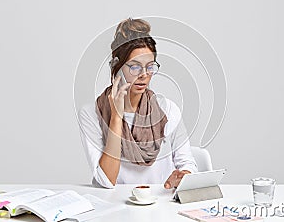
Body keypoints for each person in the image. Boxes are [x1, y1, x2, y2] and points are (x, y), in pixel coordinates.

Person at [78, 18, 198, 189]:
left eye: (150, 66)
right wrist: (116, 118)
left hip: (160, 205)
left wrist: (183, 176)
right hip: (114, 207)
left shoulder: (168, 109)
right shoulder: (92, 114)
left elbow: (188, 164)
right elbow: (106, 181)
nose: (144, 75)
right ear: (117, 67)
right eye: (134, 67)